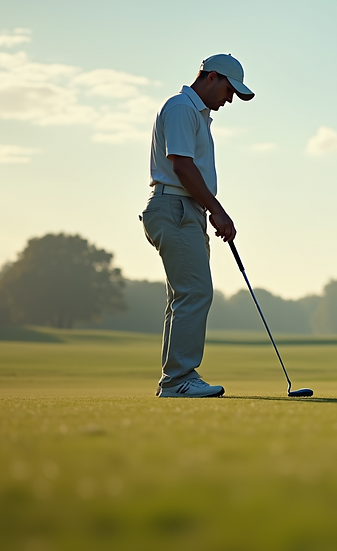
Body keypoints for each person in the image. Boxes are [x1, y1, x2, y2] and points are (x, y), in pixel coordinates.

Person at [140, 54, 254, 398]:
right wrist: (217, 210)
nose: (230, 99)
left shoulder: (195, 113)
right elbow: (182, 166)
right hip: (175, 206)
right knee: (195, 292)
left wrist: (208, 210)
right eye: (229, 89)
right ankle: (178, 379)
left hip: (184, 208)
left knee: (184, 295)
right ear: (211, 77)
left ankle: (174, 379)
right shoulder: (181, 108)